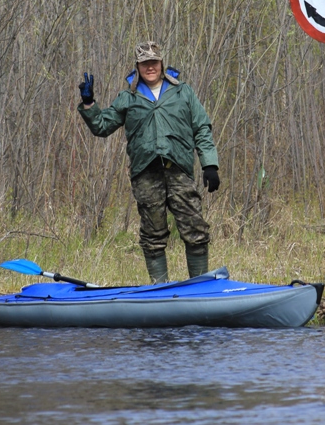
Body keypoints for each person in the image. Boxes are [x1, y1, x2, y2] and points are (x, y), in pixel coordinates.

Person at [77, 41, 220, 283]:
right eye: (145, 63)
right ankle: (159, 289)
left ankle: (201, 289)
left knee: (195, 229)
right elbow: (102, 127)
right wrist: (89, 103)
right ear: (138, 66)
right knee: (153, 234)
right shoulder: (128, 97)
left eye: (154, 62)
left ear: (161, 63)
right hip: (146, 174)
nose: (150, 67)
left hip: (179, 170)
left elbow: (202, 128)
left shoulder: (183, 91)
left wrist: (210, 165)